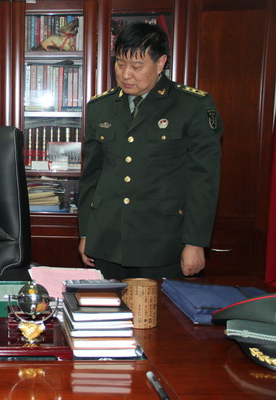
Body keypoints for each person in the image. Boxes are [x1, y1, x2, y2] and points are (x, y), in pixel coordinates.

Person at [78, 22, 222, 280]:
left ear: (160, 63)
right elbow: (91, 176)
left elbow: (203, 180)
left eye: (136, 66)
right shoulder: (100, 107)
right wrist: (87, 232)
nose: (125, 74)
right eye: (120, 63)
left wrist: (195, 242)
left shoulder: (192, 105)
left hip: (163, 243)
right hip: (107, 240)